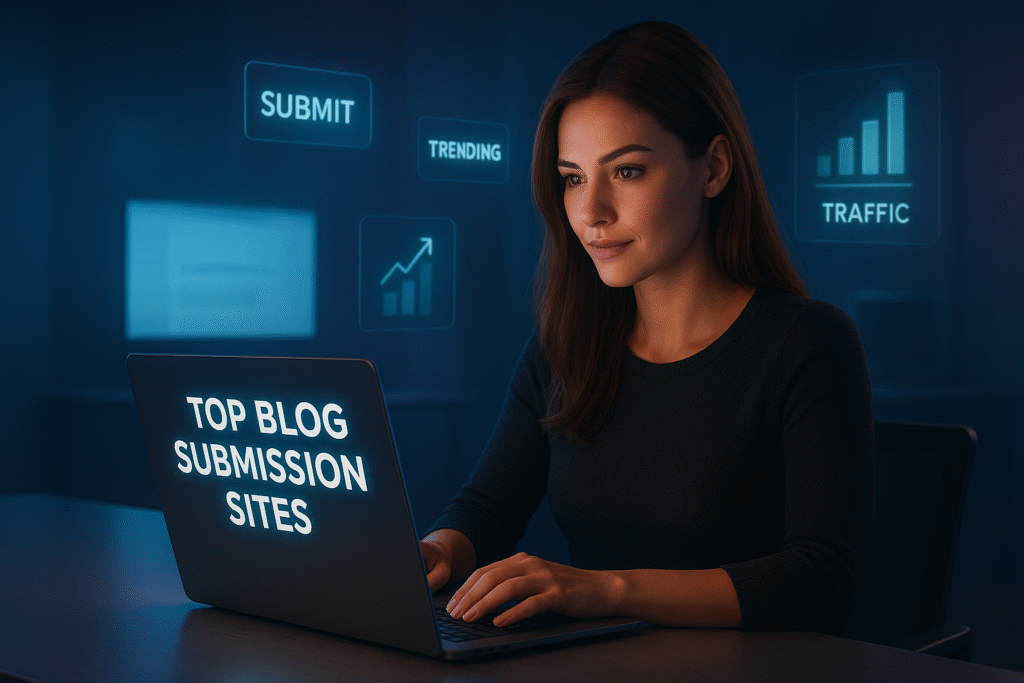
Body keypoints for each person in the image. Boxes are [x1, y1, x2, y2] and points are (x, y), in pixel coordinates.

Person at [420, 20, 873, 636]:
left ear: (714, 168)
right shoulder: (567, 347)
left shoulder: (808, 344)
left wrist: (605, 590)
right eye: (573, 178)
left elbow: (821, 582)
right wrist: (438, 550)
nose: (591, 213)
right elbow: (486, 510)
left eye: (627, 171)